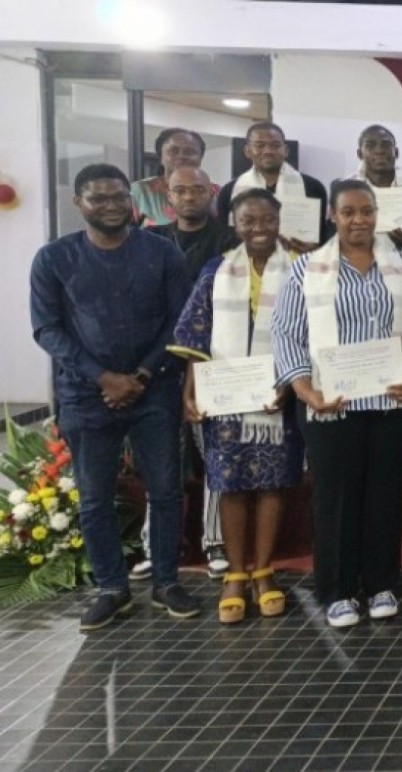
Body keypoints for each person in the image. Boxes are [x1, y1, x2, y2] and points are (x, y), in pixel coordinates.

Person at [30, 164, 197, 631]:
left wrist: (141, 374)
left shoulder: (162, 253)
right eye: (98, 198)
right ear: (79, 203)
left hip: (155, 389)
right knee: (95, 498)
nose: (110, 205)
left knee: (165, 490)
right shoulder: (54, 259)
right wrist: (103, 377)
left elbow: (179, 321)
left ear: (132, 200)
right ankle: (112, 588)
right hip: (86, 395)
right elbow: (48, 329)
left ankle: (166, 581)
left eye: (118, 197)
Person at [272, 179, 402, 628]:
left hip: (390, 402)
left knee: (384, 493)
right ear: (333, 216)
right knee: (335, 496)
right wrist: (305, 392)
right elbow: (287, 333)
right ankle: (338, 589)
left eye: (366, 211)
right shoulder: (306, 268)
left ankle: (381, 584)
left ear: (378, 213)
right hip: (329, 404)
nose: (358, 220)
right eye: (348, 212)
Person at [169, 188, 302, 624]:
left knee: (272, 482)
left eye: (267, 220)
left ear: (279, 221)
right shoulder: (216, 269)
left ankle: (264, 573)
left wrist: (290, 382)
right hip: (225, 399)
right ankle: (236, 576)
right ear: (234, 223)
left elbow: (308, 330)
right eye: (249, 221)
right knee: (230, 483)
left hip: (276, 397)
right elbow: (196, 334)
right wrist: (192, 390)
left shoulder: (299, 270)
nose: (259, 229)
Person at [143, 165, 241, 581]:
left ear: (211, 192)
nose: (189, 197)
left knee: (214, 456)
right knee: (162, 457)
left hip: (213, 361)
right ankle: (157, 545)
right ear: (168, 195)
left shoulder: (230, 240)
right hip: (159, 361)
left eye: (197, 190)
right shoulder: (150, 242)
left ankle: (215, 542)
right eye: (180, 190)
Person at [218, 122, 329, 253]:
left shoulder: (313, 187)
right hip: (247, 266)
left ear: (286, 150)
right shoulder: (229, 191)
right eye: (259, 145)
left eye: (275, 145)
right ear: (247, 151)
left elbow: (321, 235)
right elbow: (226, 237)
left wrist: (314, 248)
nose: (268, 151)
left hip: (299, 264)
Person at [341, 124, 402, 255]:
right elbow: (331, 239)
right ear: (359, 154)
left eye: (386, 145)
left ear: (396, 152)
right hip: (354, 272)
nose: (379, 150)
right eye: (370, 145)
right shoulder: (342, 190)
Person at [132, 128, 215, 227]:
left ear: (200, 158)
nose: (181, 156)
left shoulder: (216, 193)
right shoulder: (140, 191)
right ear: (161, 157)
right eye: (173, 151)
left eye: (189, 152)